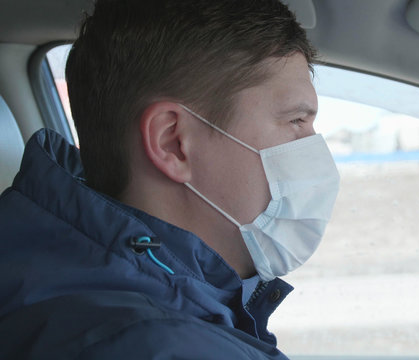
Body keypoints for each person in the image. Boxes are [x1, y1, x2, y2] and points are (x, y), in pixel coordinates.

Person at [0, 0, 340, 358]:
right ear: (173, 142)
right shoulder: (164, 347)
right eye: (296, 122)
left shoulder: (48, 283)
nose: (315, 151)